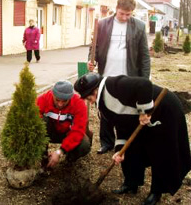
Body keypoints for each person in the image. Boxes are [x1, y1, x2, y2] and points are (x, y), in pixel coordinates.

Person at [74, 73, 191, 205]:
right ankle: (131, 183)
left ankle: (156, 192)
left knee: (159, 151)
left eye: (88, 97)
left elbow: (144, 84)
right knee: (131, 149)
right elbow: (121, 125)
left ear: (95, 90)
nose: (89, 101)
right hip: (143, 120)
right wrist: (119, 149)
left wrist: (143, 111)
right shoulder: (102, 104)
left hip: (164, 110)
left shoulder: (114, 85)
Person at [88, 0, 150, 154]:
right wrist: (91, 60)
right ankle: (106, 142)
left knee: (128, 110)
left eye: (128, 15)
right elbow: (93, 48)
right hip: (106, 75)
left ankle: (126, 142)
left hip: (129, 77)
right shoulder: (102, 24)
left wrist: (144, 80)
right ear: (116, 9)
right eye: (122, 13)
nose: (124, 17)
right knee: (105, 109)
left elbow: (144, 56)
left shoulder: (140, 26)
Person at [37, 80, 92, 169]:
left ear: (70, 97)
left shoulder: (79, 103)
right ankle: (43, 158)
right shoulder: (44, 98)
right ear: (53, 94)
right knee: (40, 122)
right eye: (57, 100)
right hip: (50, 132)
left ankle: (69, 159)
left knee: (84, 145)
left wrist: (60, 152)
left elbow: (78, 131)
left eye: (64, 101)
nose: (60, 104)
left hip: (68, 133)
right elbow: (33, 120)